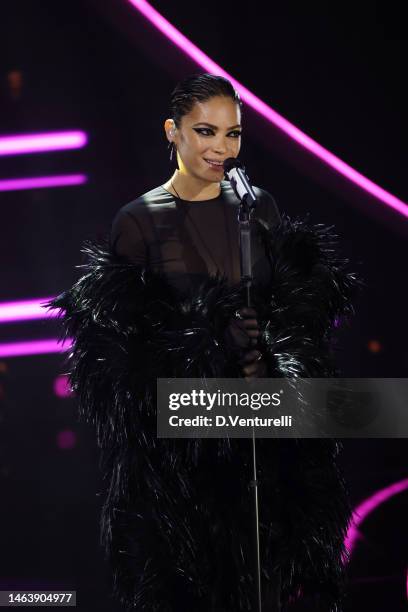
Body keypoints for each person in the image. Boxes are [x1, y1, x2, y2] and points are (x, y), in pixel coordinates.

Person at [46, 73, 360, 611]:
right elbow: (121, 355)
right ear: (174, 132)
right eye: (206, 131)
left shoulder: (257, 209)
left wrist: (275, 356)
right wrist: (209, 345)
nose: (222, 148)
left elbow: (295, 310)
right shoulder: (140, 221)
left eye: (233, 134)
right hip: (189, 452)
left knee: (271, 577)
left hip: (267, 433)